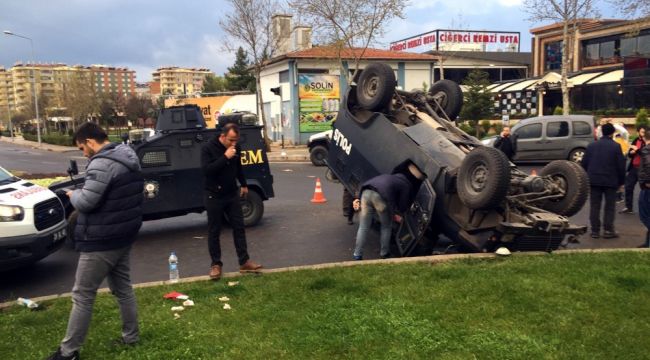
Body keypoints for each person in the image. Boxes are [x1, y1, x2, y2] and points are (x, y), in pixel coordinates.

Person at [48, 123, 144, 360]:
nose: (83, 153)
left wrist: (74, 195)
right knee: (123, 289)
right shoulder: (127, 155)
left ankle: (69, 352)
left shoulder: (102, 163)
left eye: (82, 147)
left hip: (102, 239)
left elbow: (87, 202)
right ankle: (131, 336)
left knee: (82, 294)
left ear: (90, 141)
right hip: (124, 234)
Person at [201, 123, 262, 280]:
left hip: (231, 193)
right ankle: (216, 265)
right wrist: (225, 157)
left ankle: (244, 261)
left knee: (239, 227)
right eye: (231, 140)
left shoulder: (236, 148)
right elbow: (207, 171)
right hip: (213, 194)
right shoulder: (208, 148)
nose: (234, 143)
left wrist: (244, 184)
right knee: (214, 230)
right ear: (222, 136)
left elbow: (238, 167)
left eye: (236, 140)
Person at [352, 164, 424, 260]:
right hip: (380, 198)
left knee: (364, 226)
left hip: (366, 193)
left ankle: (357, 254)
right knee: (386, 226)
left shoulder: (387, 176)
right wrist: (399, 214)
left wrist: (358, 199)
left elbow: (367, 183)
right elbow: (403, 204)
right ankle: (384, 253)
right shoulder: (406, 185)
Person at [582, 123, 626, 239]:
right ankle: (608, 230)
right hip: (611, 181)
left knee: (595, 206)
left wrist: (587, 176)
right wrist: (621, 182)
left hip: (594, 180)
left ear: (601, 132)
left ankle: (595, 231)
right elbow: (621, 166)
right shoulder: (616, 146)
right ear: (612, 133)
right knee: (610, 206)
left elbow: (584, 163)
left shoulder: (591, 146)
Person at [621, 125, 647, 214]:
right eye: (642, 132)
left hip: (644, 169)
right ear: (638, 132)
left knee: (645, 190)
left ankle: (646, 210)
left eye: (645, 132)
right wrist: (631, 152)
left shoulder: (647, 142)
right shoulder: (636, 140)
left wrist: (637, 150)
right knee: (628, 186)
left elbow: (646, 155)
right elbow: (630, 154)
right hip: (634, 168)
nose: (643, 134)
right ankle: (628, 207)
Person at [637, 130, 650, 247]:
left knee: (644, 214)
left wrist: (647, 181)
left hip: (647, 187)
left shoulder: (646, 149)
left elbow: (648, 164)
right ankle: (647, 243)